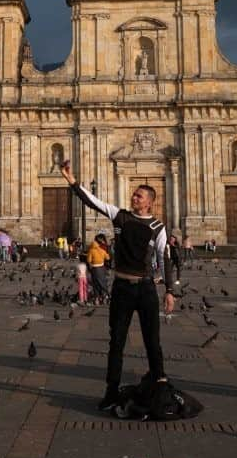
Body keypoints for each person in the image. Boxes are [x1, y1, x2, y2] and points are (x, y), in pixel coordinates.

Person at [60, 160, 175, 412]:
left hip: (145, 289)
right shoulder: (119, 216)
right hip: (122, 288)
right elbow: (93, 201)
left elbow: (165, 258)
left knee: (152, 342)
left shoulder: (158, 227)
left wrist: (169, 290)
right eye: (134, 193)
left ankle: (160, 388)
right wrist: (71, 181)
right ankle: (111, 392)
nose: (134, 196)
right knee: (116, 343)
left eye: (139, 195)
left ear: (149, 202)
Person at [87, 233, 111, 305]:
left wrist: (90, 264)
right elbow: (108, 258)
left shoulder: (91, 250)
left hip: (94, 268)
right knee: (102, 282)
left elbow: (88, 260)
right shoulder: (102, 250)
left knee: (95, 283)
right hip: (102, 267)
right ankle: (105, 297)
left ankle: (96, 299)